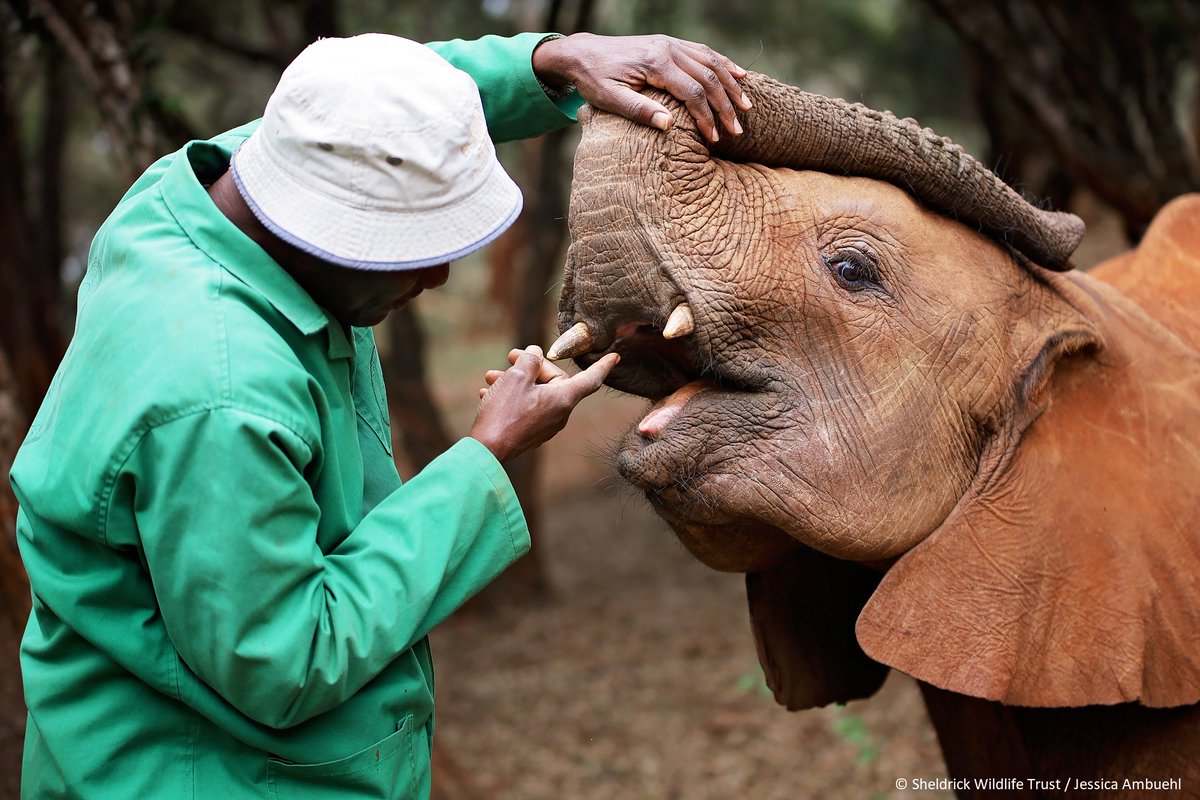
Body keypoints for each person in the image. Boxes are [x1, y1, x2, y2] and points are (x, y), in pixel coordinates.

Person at [9, 29, 747, 799]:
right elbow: (286, 661)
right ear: (320, 225)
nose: (436, 274)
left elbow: (382, 113)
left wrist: (549, 63)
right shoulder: (219, 396)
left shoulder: (210, 187)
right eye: (409, 247)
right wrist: (483, 459)